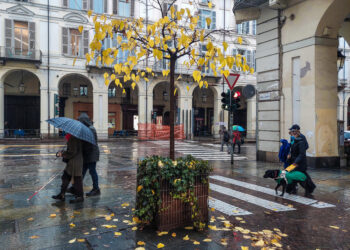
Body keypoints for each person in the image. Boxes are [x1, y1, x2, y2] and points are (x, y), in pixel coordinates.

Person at [52, 133, 84, 203]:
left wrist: (62, 154)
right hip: (74, 162)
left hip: (75, 162)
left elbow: (72, 152)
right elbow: (72, 150)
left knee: (77, 179)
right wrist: (64, 152)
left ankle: (80, 197)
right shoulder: (74, 137)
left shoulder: (73, 138)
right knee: (65, 177)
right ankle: (62, 194)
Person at [287, 129, 316, 195]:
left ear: (297, 134)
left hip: (299, 163)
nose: (292, 134)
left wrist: (296, 162)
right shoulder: (294, 141)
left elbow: (301, 154)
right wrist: (289, 156)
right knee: (291, 173)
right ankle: (292, 188)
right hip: (294, 162)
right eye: (292, 133)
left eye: (294, 133)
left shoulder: (301, 142)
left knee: (302, 177)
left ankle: (309, 188)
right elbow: (292, 151)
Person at [78, 113, 100, 196]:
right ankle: (76, 187)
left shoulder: (91, 129)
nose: (80, 122)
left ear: (84, 121)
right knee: (82, 171)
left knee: (92, 171)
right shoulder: (87, 128)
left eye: (80, 121)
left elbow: (90, 143)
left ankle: (96, 189)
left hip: (91, 154)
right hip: (88, 154)